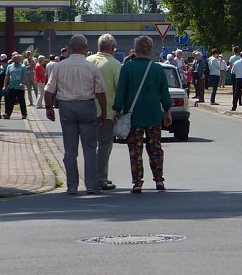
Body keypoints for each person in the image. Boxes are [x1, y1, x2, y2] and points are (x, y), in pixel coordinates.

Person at [44, 34, 108, 195]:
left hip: (66, 106)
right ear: (85, 48)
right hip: (87, 106)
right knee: (90, 147)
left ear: (70, 48)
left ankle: (72, 185)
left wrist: (49, 108)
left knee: (70, 148)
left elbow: (49, 89)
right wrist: (103, 112)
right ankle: (91, 185)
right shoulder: (91, 67)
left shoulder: (60, 66)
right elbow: (100, 92)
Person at [113, 35, 172, 193]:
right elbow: (164, 94)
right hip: (153, 115)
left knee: (135, 150)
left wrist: (117, 110)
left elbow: (121, 93)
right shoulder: (158, 69)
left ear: (135, 50)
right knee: (155, 149)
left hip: (133, 117)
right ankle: (159, 179)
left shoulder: (127, 68)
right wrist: (167, 111)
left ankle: (137, 182)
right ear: (151, 50)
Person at [87, 33, 122, 191]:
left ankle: (91, 178)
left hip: (86, 110)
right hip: (106, 111)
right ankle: (100, 178)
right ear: (113, 48)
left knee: (89, 146)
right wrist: (118, 110)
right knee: (104, 146)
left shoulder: (87, 61)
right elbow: (120, 89)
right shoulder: (115, 65)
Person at [3, 53, 29, 119]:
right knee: (10, 101)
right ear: (13, 60)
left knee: (21, 101)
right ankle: (8, 114)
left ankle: (24, 114)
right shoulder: (10, 66)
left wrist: (23, 83)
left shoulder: (23, 67)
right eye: (16, 59)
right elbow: (7, 76)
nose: (17, 60)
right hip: (12, 86)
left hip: (20, 87)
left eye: (18, 59)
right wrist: (5, 85)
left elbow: (25, 76)